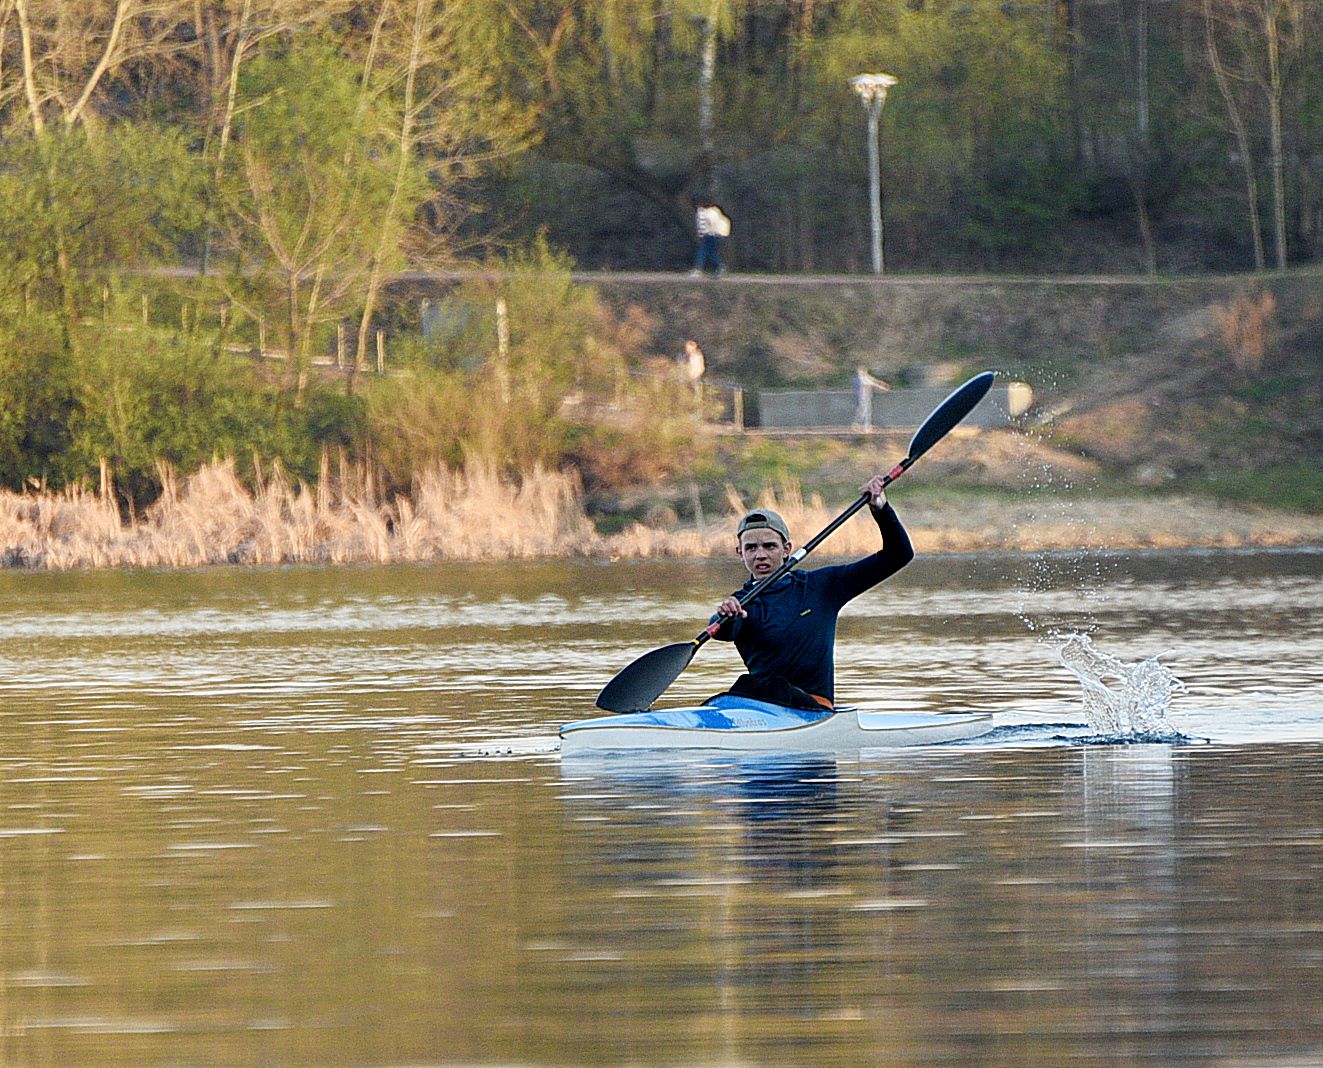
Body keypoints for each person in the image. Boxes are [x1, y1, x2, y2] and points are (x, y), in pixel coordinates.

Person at [710, 474, 913, 710]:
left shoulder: (823, 586)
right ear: (740, 553)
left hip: (813, 708)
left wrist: (881, 509)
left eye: (769, 546)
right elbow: (721, 630)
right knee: (746, 687)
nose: (760, 555)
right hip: (761, 709)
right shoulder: (740, 605)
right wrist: (724, 617)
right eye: (751, 548)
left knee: (772, 687)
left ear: (786, 549)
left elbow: (898, 556)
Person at [690, 200, 731, 277]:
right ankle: (719, 267)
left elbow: (702, 225)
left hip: (709, 234)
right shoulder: (715, 210)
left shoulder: (701, 212)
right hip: (718, 234)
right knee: (711, 252)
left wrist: (701, 236)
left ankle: (698, 270)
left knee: (702, 251)